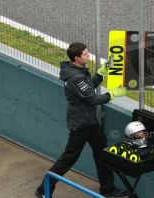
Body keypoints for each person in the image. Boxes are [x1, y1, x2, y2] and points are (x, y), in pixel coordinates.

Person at [35, 42, 127, 198]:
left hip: (89, 122)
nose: (88, 55)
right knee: (69, 158)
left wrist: (101, 73)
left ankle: (108, 189)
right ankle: (43, 189)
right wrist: (113, 94)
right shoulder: (75, 77)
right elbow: (92, 99)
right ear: (77, 58)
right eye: (85, 54)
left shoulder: (76, 71)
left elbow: (89, 86)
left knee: (102, 152)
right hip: (81, 125)